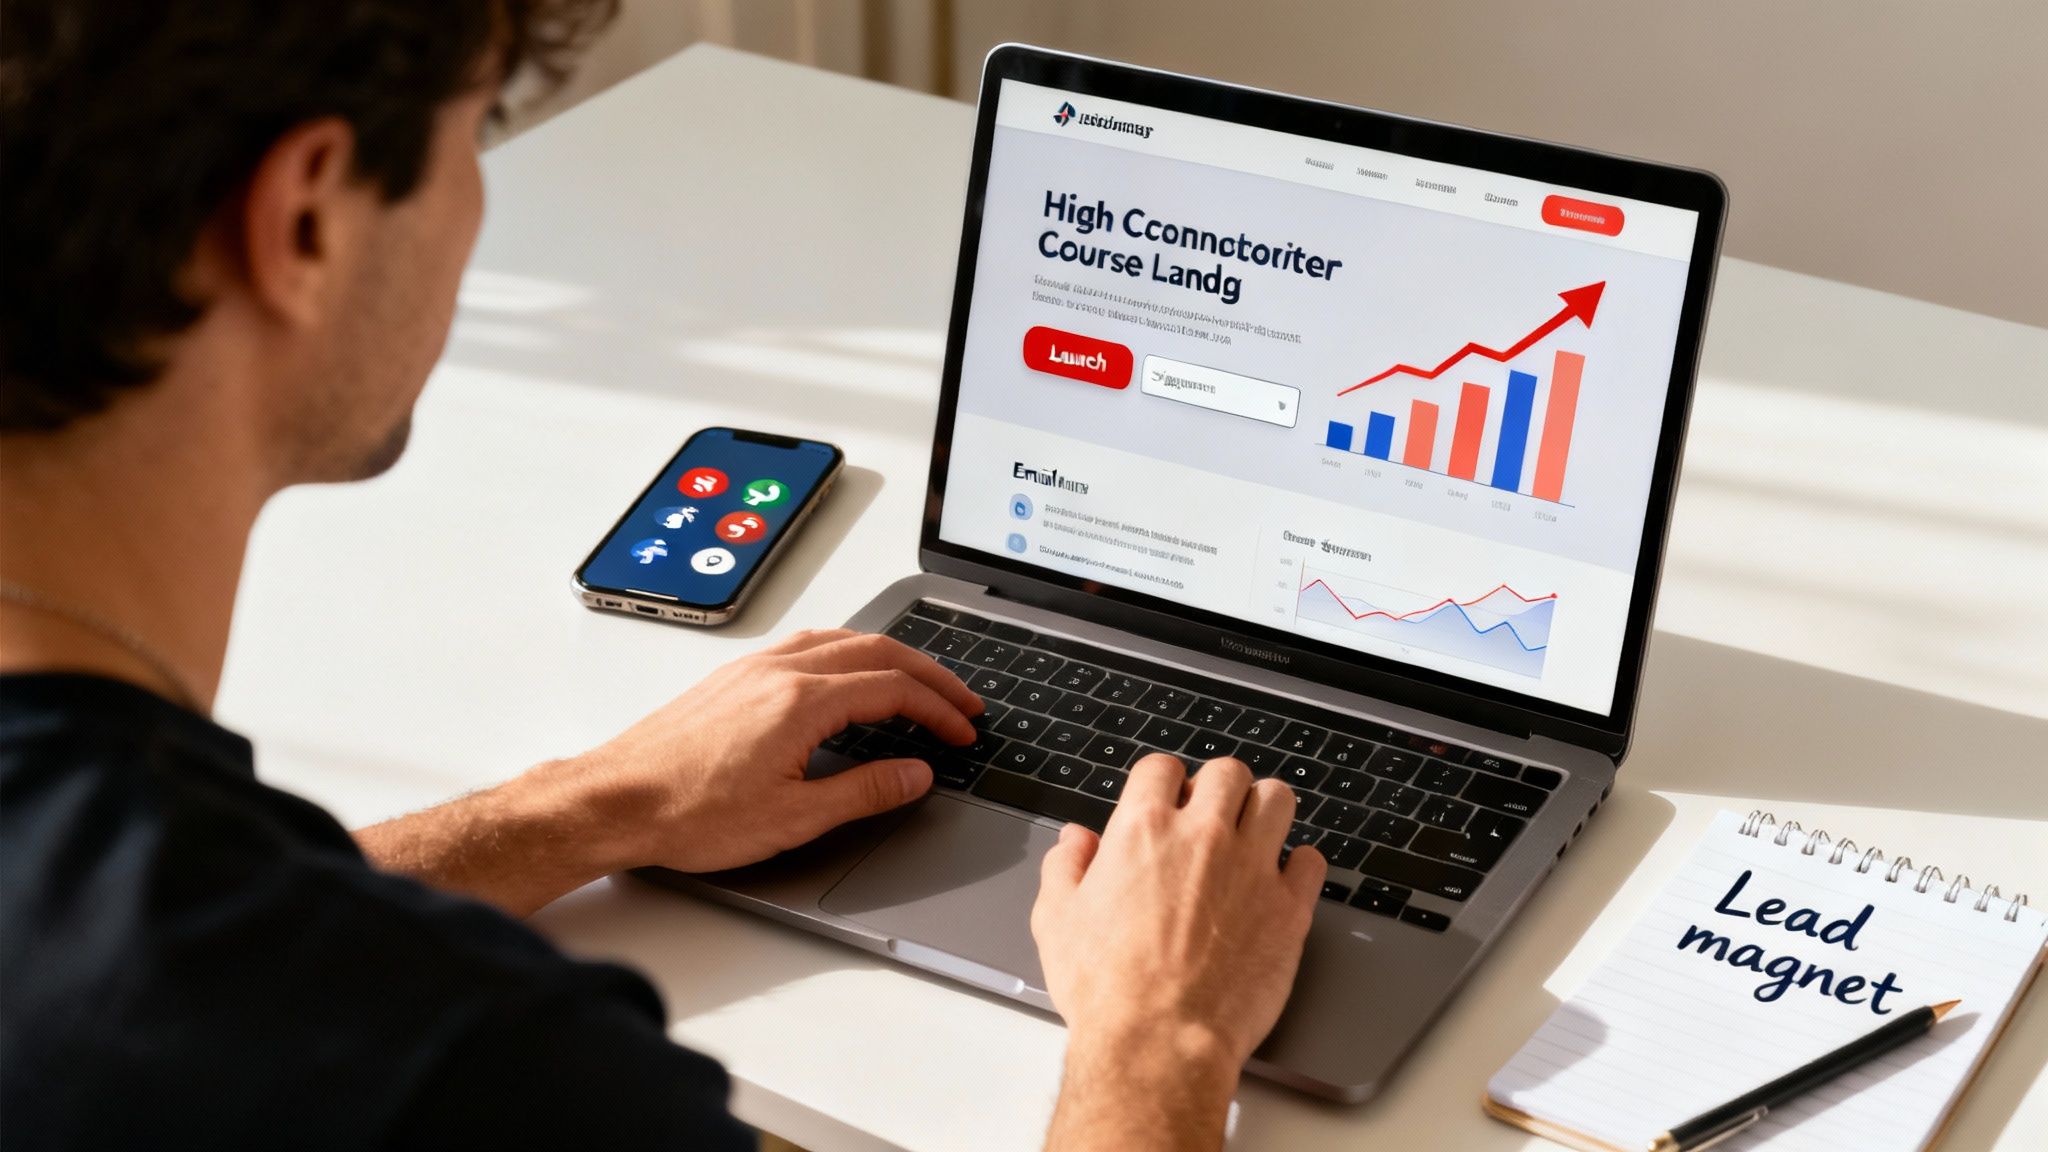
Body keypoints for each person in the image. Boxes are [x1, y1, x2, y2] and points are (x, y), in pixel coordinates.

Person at [0, 3, 1327, 1149]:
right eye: (476, 135)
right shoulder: (489, 1081)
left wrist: (581, 807)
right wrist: (1160, 1038)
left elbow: (174, 956)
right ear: (302, 219)